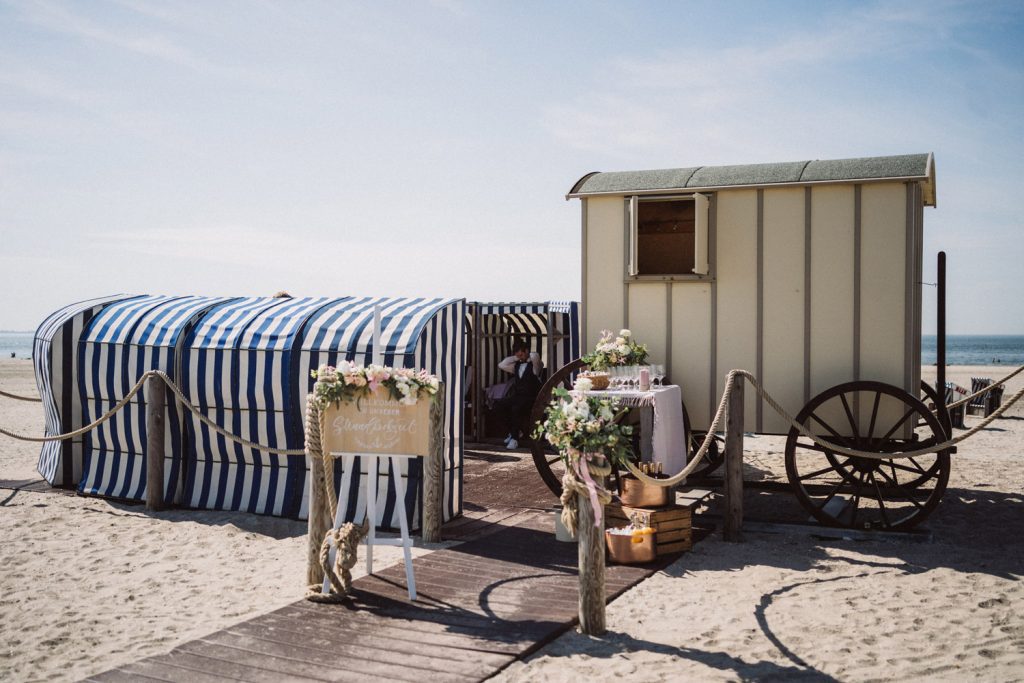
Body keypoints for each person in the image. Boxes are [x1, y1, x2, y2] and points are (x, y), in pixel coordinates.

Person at [494, 340, 543, 450]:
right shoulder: (516, 365)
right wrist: (517, 357)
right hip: (518, 396)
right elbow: (501, 365)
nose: (520, 357)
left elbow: (535, 355)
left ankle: (515, 440)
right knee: (497, 405)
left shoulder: (535, 365)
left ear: (526, 351)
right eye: (517, 355)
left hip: (531, 397)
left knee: (515, 408)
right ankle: (513, 432)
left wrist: (526, 356)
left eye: (521, 354)